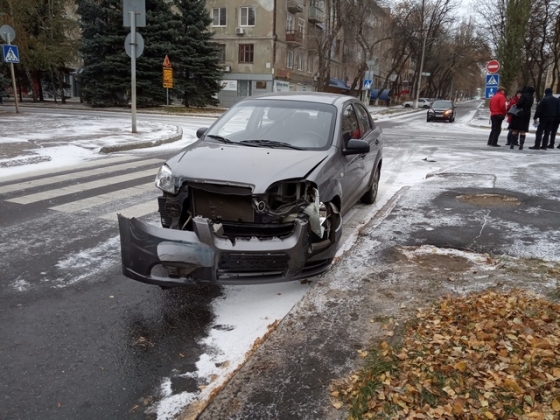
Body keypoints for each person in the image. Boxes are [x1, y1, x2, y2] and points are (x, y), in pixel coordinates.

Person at [509, 86, 535, 150]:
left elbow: (520, 104)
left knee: (515, 129)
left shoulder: (523, 96)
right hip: (527, 114)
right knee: (523, 130)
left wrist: (516, 105)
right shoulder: (531, 97)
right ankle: (521, 145)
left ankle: (512, 144)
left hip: (519, 114)